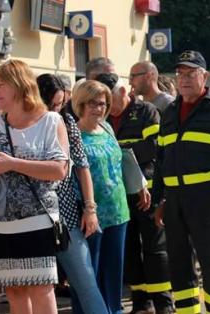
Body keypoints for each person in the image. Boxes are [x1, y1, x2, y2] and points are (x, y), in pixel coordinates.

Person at [153, 50, 210, 314]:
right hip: (174, 201)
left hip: (207, 198)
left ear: (204, 76)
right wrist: (160, 200)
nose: (184, 79)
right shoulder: (169, 112)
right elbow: (162, 160)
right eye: (180, 74)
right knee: (180, 264)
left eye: (191, 73)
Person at [0, 60, 69, 313]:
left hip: (36, 220)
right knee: (14, 290)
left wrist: (12, 163)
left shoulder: (50, 121)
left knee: (41, 288)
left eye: (1, 85)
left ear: (20, 85)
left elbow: (59, 170)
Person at [36, 74, 109, 314]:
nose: (56, 110)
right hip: (31, 218)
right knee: (38, 287)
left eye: (60, 104)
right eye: (52, 104)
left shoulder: (66, 122)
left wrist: (90, 209)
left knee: (86, 281)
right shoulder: (21, 123)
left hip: (65, 217)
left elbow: (82, 167)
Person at [70, 80, 132, 314]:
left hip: (118, 210)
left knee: (113, 273)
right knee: (88, 276)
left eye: (103, 104)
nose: (98, 108)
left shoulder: (107, 128)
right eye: (92, 103)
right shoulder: (72, 134)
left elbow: (119, 161)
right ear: (80, 104)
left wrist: (140, 184)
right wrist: (88, 209)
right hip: (88, 214)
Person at [119, 63, 174, 313]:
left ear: (150, 75)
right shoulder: (111, 114)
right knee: (130, 249)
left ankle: (163, 302)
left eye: (134, 76)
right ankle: (141, 301)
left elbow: (154, 147)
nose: (130, 81)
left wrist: (120, 153)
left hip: (149, 191)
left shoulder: (152, 109)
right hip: (122, 193)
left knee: (155, 248)